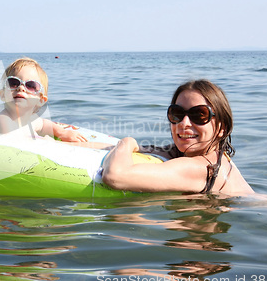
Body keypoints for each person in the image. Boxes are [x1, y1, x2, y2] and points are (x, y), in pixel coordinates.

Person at [102, 79, 254, 196]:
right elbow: (139, 150)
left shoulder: (201, 167)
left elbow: (115, 176)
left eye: (199, 115)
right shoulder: (211, 156)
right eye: (177, 113)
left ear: (222, 128)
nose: (184, 123)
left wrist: (127, 141)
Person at [0, 57, 87, 142]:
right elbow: (18, 144)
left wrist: (62, 133)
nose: (21, 88)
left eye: (31, 85)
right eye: (13, 83)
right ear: (2, 95)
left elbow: (43, 124)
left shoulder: (31, 119)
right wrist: (47, 141)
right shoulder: (3, 120)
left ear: (41, 100)